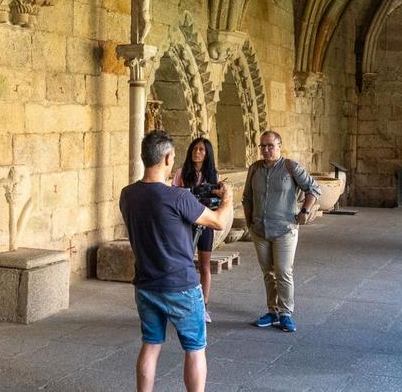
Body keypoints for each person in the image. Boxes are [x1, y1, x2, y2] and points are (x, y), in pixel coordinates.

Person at [120, 130, 233, 392]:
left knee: (150, 344)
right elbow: (218, 221)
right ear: (169, 158)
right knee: (195, 349)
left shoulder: (128, 194)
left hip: (146, 283)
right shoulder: (178, 197)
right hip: (180, 283)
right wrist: (226, 199)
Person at [242, 130, 320, 333]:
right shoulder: (254, 169)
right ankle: (272, 311)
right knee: (268, 272)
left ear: (279, 145)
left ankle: (286, 313)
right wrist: (250, 222)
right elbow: (247, 197)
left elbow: (313, 188)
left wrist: (305, 210)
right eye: (263, 146)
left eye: (270, 145)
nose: (266, 150)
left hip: (285, 229)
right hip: (260, 229)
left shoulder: (290, 167)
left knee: (283, 271)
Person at [171, 137, 220, 323]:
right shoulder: (181, 173)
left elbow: (216, 202)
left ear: (207, 154)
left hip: (205, 224)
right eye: (194, 148)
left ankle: (203, 306)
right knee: (184, 263)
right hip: (185, 224)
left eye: (201, 149)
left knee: (205, 266)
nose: (197, 152)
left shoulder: (212, 175)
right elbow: (174, 196)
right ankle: (182, 304)